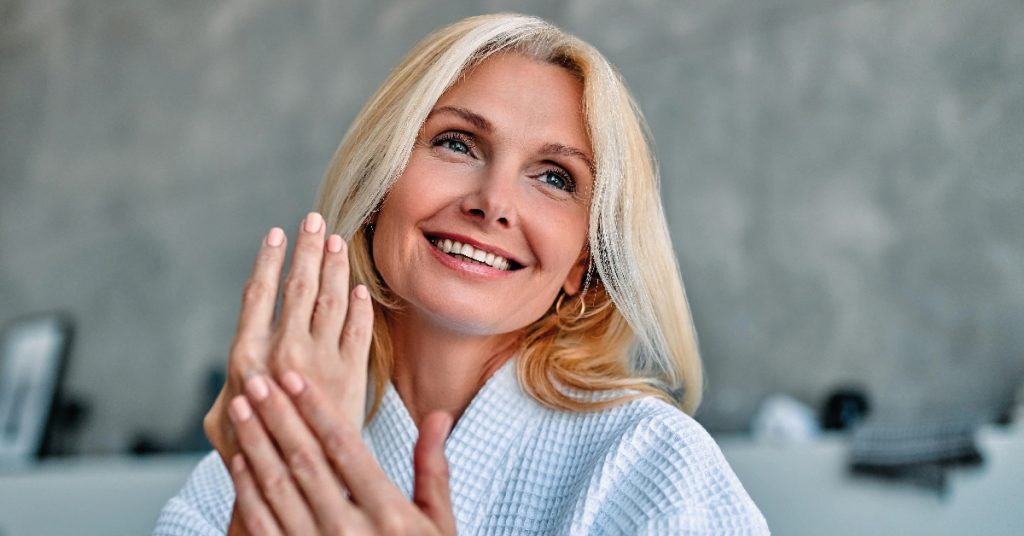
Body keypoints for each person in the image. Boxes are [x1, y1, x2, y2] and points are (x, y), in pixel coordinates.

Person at [155, 13, 769, 535]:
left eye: (554, 178)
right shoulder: (236, 476)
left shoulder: (657, 466)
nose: (493, 202)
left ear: (581, 263)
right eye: (457, 143)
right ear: (378, 188)